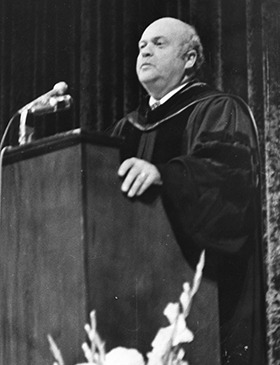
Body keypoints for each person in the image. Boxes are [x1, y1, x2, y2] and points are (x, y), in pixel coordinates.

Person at [110, 17, 267, 364]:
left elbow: (230, 184)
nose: (145, 50)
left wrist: (166, 176)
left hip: (203, 299)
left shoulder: (218, 110)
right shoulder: (124, 128)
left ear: (190, 59)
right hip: (131, 294)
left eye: (159, 43)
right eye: (141, 46)